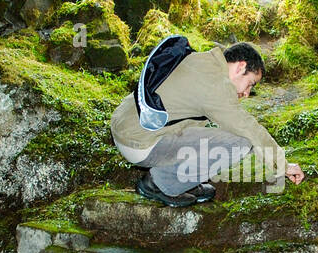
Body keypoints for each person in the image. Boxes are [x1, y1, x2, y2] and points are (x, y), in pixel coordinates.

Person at [110, 41, 306, 206]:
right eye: (250, 84)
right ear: (240, 67)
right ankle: (161, 183)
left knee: (218, 133)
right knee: (241, 141)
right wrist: (283, 165)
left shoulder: (201, 61)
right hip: (139, 142)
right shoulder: (215, 83)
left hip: (128, 130)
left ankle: (183, 179)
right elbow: (247, 128)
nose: (247, 94)